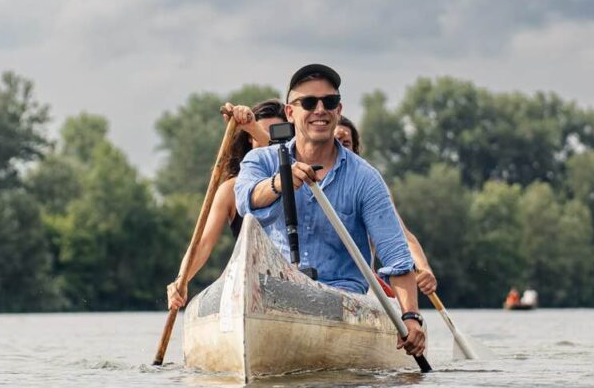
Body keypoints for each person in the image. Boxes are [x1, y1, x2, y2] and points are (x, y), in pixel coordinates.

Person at [235, 64, 426, 357]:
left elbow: (396, 258)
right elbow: (245, 200)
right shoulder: (260, 161)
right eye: (309, 103)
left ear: (339, 110)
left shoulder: (366, 178)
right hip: (274, 288)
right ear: (290, 113)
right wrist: (280, 182)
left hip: (342, 298)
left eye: (330, 102)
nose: (320, 110)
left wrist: (411, 317)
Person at [166, 99, 286, 309]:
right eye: (259, 133)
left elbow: (282, 158)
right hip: (248, 280)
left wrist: (252, 127)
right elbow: (203, 243)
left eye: (274, 135)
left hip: (289, 280)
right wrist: (181, 280)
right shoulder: (231, 190)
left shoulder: (298, 179)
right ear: (250, 140)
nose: (267, 141)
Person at [335, 116, 438, 296]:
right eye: (335, 142)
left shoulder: (367, 186)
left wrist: (423, 268)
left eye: (346, 143)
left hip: (360, 289)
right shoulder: (300, 179)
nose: (340, 148)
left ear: (354, 150)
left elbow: (402, 237)